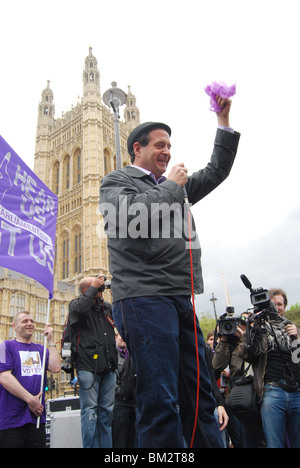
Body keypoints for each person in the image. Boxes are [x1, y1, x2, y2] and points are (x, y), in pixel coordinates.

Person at [100, 96, 240, 448]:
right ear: (138, 149)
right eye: (160, 145)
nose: (167, 151)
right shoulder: (117, 181)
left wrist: (223, 121)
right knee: (159, 400)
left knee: (200, 396)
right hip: (143, 298)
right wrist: (172, 187)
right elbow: (130, 219)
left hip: (179, 296)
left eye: (169, 146)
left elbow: (216, 171)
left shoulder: (174, 187)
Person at [239, 288, 300, 448]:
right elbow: (246, 355)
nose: (277, 307)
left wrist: (296, 339)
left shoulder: (293, 329)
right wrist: (250, 332)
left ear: (285, 306)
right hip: (272, 391)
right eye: (274, 304)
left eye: (280, 304)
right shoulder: (259, 330)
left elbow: (298, 360)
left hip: (296, 392)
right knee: (274, 444)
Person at [69, 275, 117, 448]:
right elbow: (80, 309)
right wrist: (92, 288)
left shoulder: (106, 308)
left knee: (107, 412)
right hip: (88, 367)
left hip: (109, 365)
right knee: (90, 411)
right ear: (85, 290)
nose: (100, 287)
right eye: (96, 285)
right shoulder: (76, 305)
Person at [0, 311, 61, 448]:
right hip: (11, 421)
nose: (30, 324)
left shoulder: (41, 349)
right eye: (25, 321)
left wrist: (51, 340)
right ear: (14, 326)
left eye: (32, 321)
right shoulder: (4, 347)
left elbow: (56, 368)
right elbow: (4, 377)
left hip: (36, 420)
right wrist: (30, 399)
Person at [112, 331, 136, 448]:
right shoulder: (112, 354)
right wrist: (120, 391)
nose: (123, 338)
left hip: (134, 405)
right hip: (119, 405)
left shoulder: (133, 354)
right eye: (120, 334)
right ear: (116, 337)